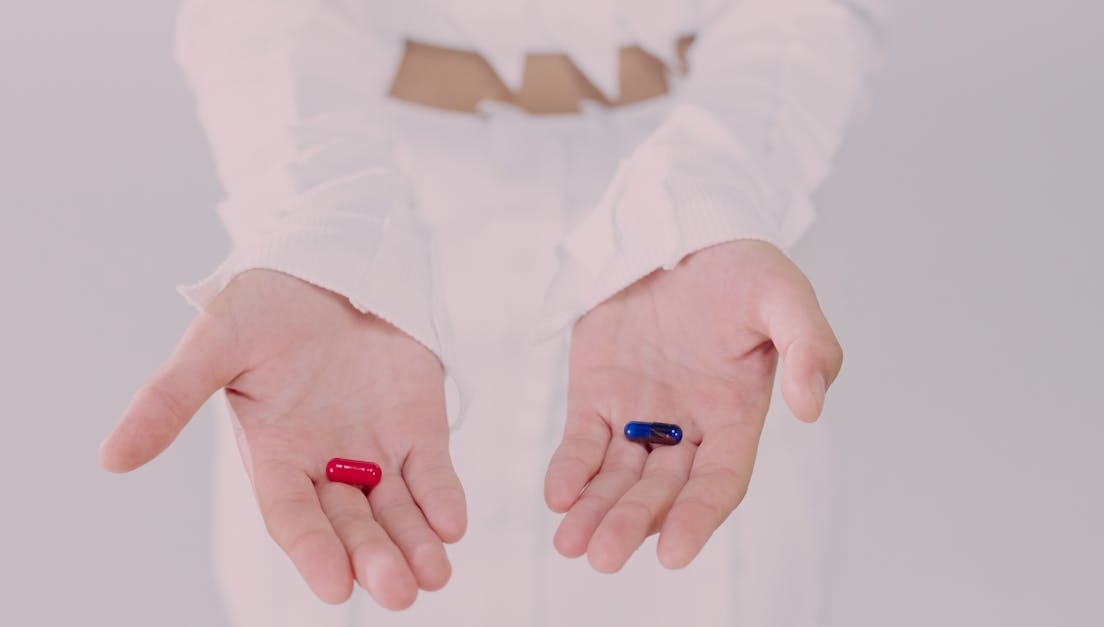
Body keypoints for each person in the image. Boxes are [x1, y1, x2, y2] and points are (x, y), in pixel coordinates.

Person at [99, 0, 883, 625]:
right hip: (355, 221)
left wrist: (712, 198)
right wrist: (320, 233)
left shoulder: (714, 255)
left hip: (715, 248)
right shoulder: (332, 273)